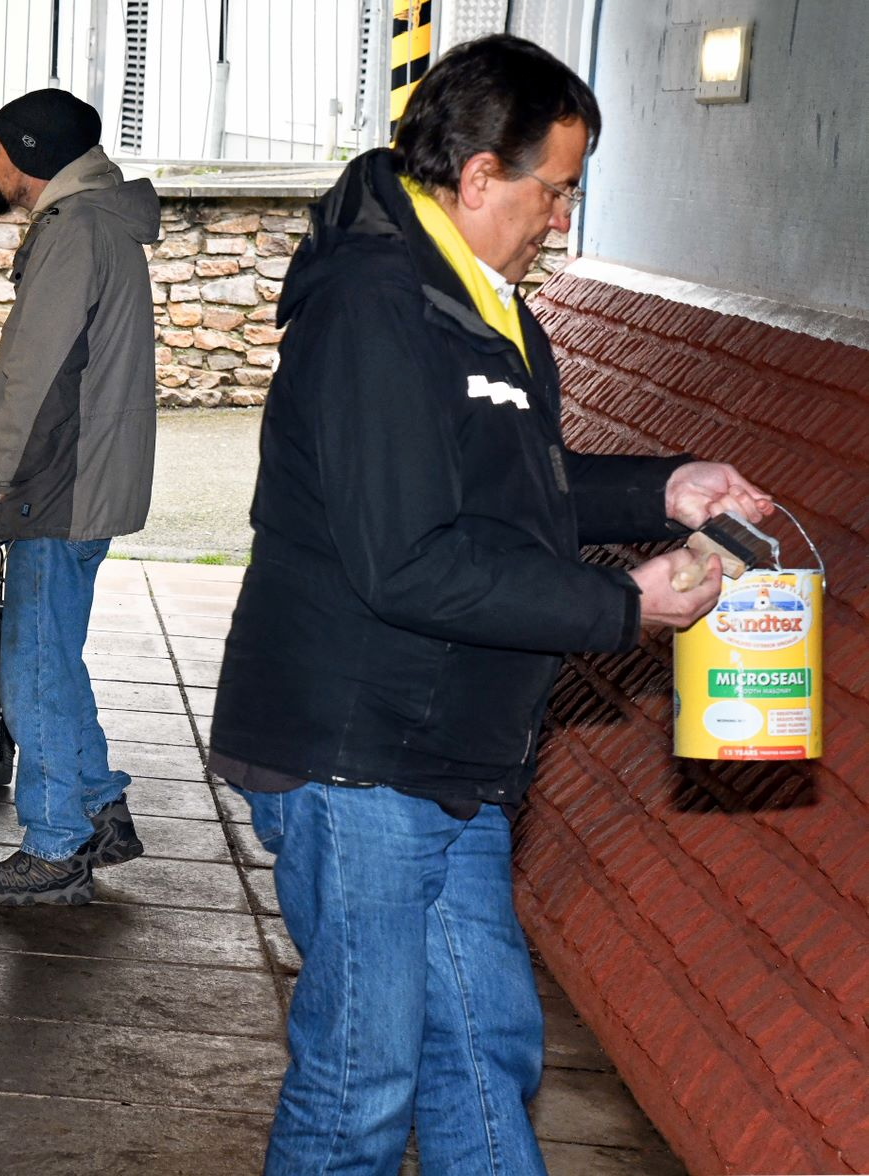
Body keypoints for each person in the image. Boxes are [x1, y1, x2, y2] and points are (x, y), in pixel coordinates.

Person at [208, 35, 772, 1175]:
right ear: (477, 178)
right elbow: (406, 560)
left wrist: (663, 487)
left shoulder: (480, 301)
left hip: (447, 757)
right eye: (553, 188)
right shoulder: (379, 307)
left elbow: (516, 486)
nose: (561, 217)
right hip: (358, 755)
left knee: (481, 1051)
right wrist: (621, 605)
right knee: (362, 1081)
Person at [0, 88, 160, 907]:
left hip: (55, 482)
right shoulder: (100, 224)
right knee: (53, 656)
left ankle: (54, 844)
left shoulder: (73, 235)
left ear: (31, 153)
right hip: (84, 476)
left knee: (31, 667)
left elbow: (33, 381)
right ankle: (100, 806)